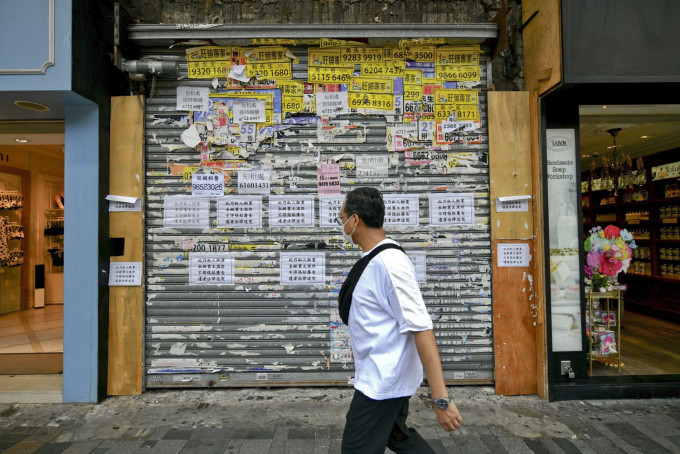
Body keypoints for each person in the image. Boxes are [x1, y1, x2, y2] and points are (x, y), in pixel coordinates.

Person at [337, 187, 463, 453]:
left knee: (355, 448)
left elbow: (422, 328)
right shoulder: (374, 259)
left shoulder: (389, 263)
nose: (342, 224)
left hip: (383, 382)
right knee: (398, 436)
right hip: (382, 374)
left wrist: (441, 400)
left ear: (355, 220)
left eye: (342, 218)